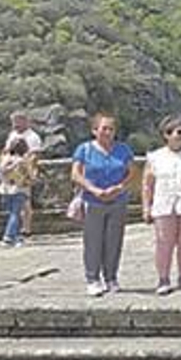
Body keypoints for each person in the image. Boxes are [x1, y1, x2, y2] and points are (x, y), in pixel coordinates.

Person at [71, 113, 135, 296]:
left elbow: (131, 172)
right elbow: (76, 174)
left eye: (111, 129)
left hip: (118, 200)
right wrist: (94, 190)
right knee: (93, 241)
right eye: (104, 128)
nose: (107, 132)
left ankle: (111, 277)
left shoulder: (123, 150)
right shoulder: (84, 150)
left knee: (114, 241)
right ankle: (93, 279)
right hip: (93, 201)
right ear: (94, 130)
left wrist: (119, 187)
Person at [141, 116, 181, 292]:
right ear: (167, 134)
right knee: (163, 242)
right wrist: (146, 207)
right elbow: (147, 183)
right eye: (179, 132)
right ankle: (163, 278)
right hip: (163, 204)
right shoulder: (155, 157)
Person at [0, 138, 39, 248]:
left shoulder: (6, 158)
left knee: (12, 213)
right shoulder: (23, 160)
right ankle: (8, 237)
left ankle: (16, 237)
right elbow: (31, 176)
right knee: (16, 213)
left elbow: (1, 171)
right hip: (20, 189)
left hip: (6, 189)